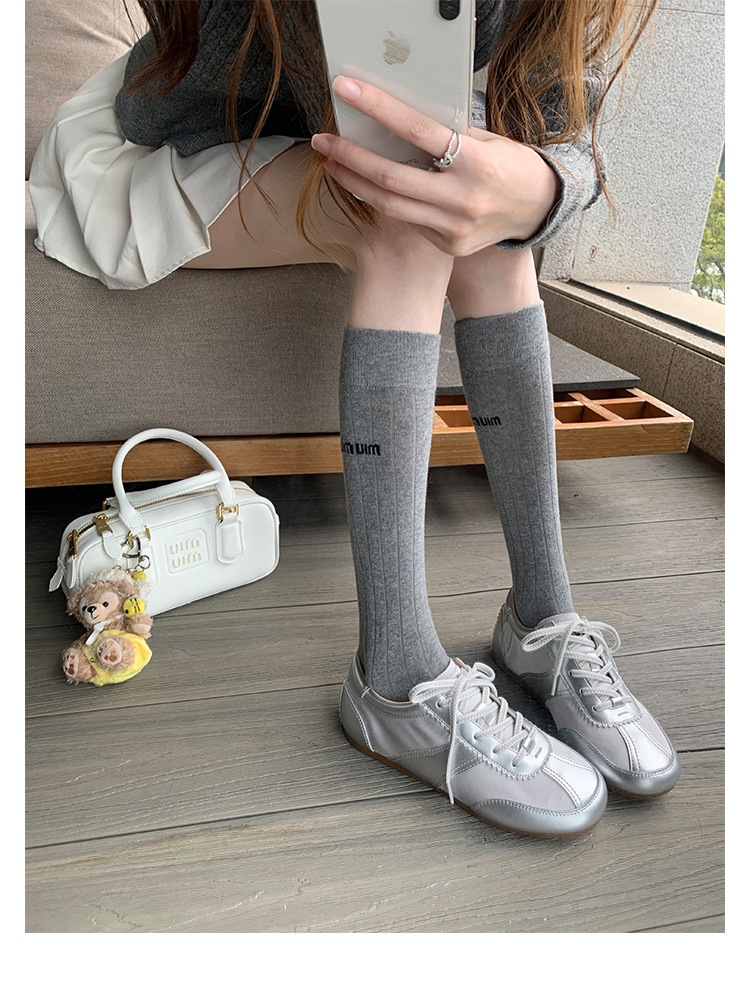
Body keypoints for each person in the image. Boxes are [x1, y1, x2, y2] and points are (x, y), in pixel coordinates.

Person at [30, 0, 680, 838]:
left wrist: (542, 187)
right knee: (411, 214)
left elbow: (564, 132)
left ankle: (542, 618)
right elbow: (347, 106)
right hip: (170, 138)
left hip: (333, 140)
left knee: (491, 229)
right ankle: (394, 678)